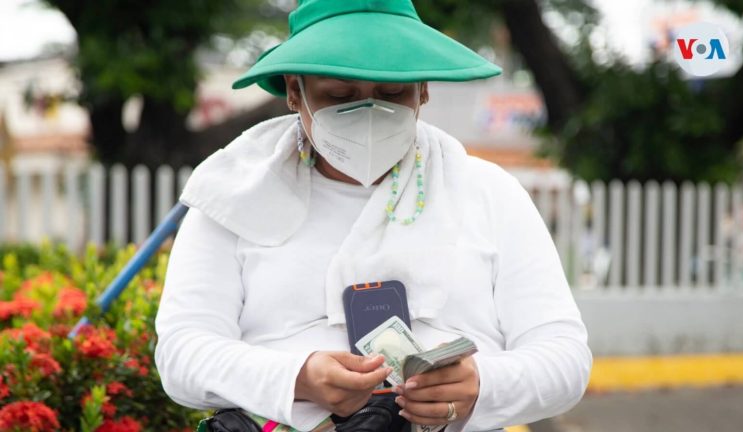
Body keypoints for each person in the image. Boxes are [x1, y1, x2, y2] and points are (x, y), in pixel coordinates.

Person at [154, 1, 592, 431]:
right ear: (294, 91)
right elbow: (182, 354)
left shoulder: (489, 193)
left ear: (423, 89)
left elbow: (564, 357)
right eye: (340, 95)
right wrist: (298, 377)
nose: (367, 112)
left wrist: (482, 386)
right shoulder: (231, 197)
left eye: (392, 93)